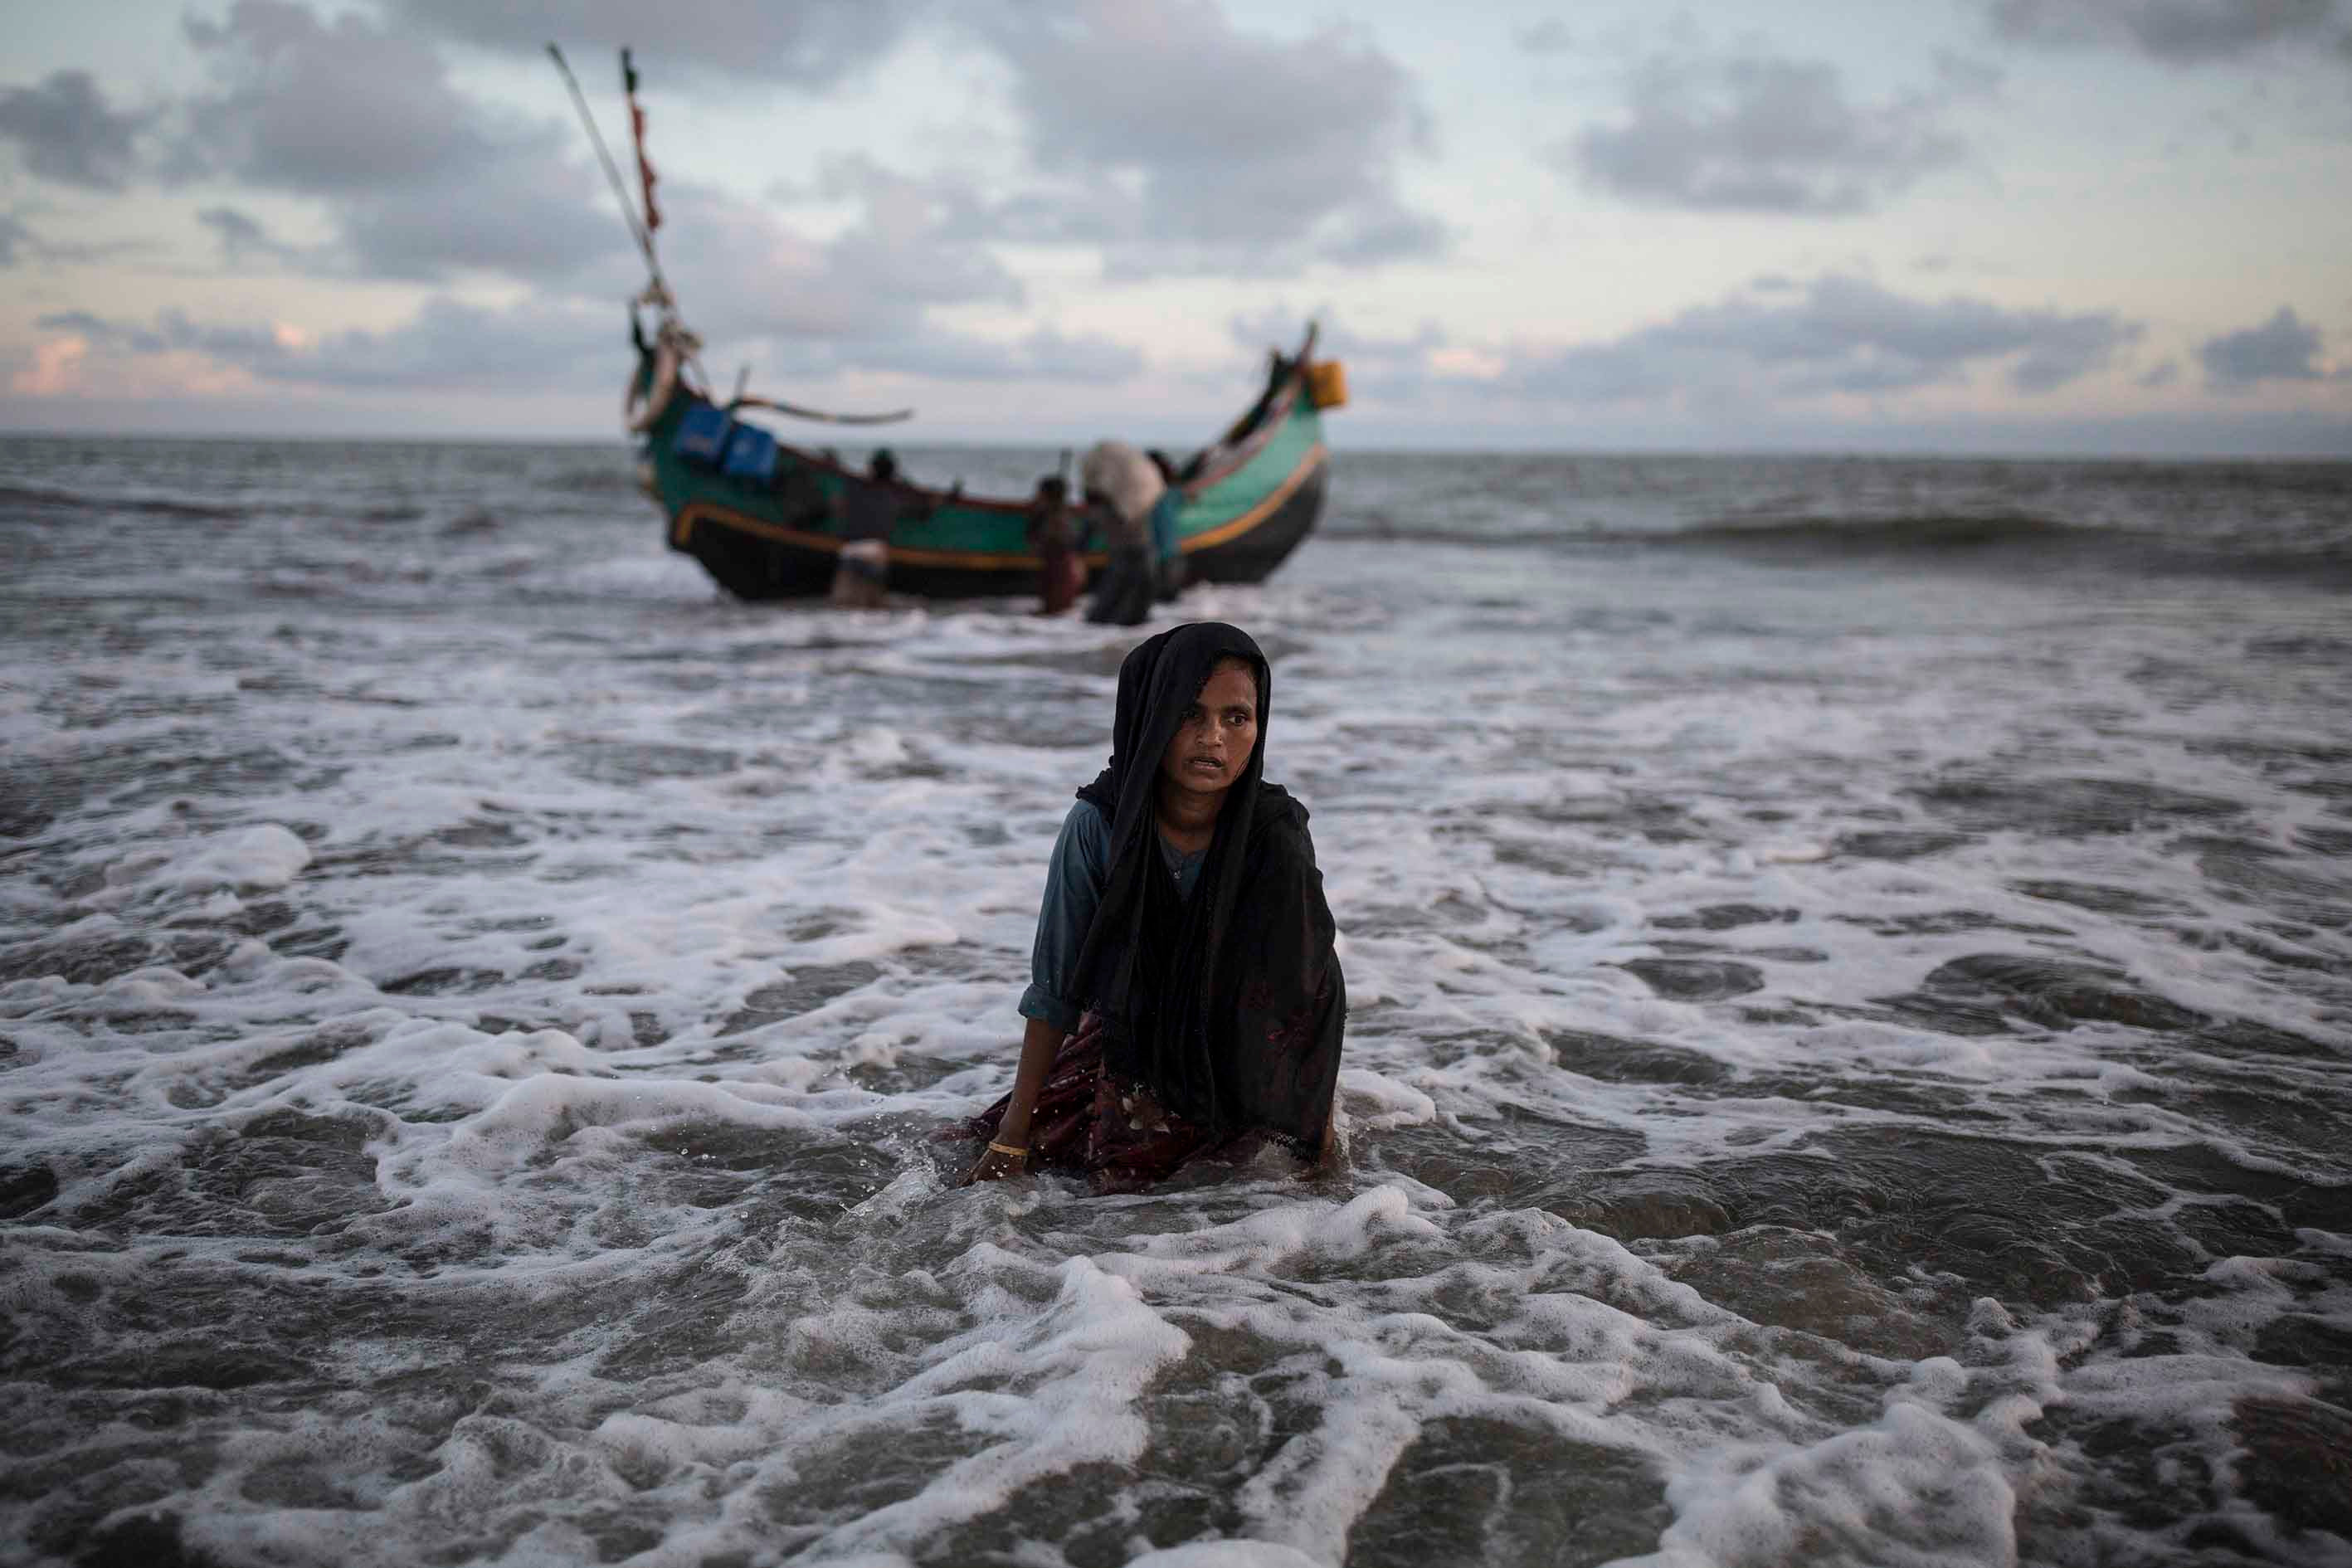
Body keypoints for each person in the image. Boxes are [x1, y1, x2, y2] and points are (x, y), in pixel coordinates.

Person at [959, 622, 1346, 1192]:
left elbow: (1307, 991)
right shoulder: (1100, 825)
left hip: (1240, 1046)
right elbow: (1056, 988)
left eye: (1235, 718)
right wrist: (1012, 1136)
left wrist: (1319, 1131)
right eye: (1188, 714)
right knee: (1096, 1182)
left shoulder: (1274, 833)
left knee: (1255, 1188)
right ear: (1149, 718)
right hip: (1131, 1035)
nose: (1212, 737)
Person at [1081, 441, 1161, 626]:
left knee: (1118, 595)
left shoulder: (1119, 504)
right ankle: (1107, 625)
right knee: (1126, 595)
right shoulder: (1130, 501)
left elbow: (1086, 534)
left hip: (1130, 553)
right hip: (1134, 553)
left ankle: (1102, 625)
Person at [830, 448, 904, 609]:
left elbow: (839, 480)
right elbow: (924, 510)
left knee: (845, 608)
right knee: (873, 612)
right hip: (876, 556)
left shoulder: (854, 488)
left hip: (850, 554)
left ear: (871, 468)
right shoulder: (895, 495)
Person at [1025, 475, 1086, 616]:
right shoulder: (1057, 515)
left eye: (1040, 493)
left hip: (1061, 568)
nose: (1037, 496)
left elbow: (1055, 543)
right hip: (1061, 567)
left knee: (1055, 606)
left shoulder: (1057, 519)